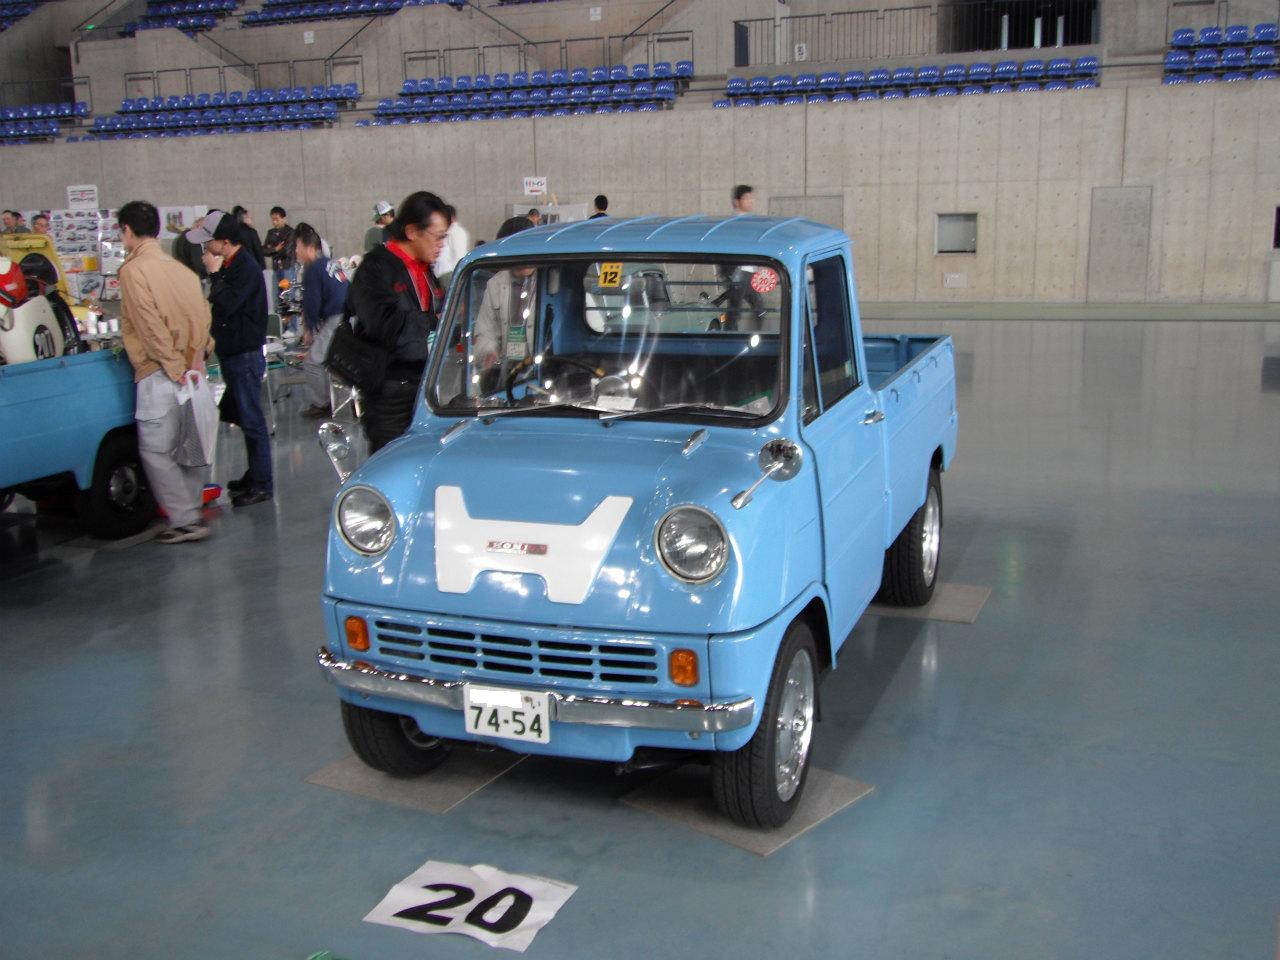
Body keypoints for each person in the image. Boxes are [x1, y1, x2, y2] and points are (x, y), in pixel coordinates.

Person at [115, 200, 214, 544]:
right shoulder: (182, 271)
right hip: (193, 373)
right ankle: (191, 512)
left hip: (161, 374)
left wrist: (173, 367)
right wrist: (198, 355)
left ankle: (185, 519)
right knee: (189, 447)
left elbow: (149, 325)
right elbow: (204, 315)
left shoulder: (132, 272)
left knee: (157, 451)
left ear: (127, 230)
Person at [346, 191, 448, 453]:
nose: (441, 245)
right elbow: (384, 325)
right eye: (437, 236)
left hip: (425, 388)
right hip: (390, 392)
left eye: (444, 237)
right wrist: (432, 321)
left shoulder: (425, 270)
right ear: (412, 231)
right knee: (391, 459)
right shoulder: (376, 268)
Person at [188, 209, 273, 506]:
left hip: (245, 355)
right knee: (241, 415)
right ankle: (256, 474)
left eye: (208, 242)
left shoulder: (245, 268)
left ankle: (262, 483)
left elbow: (228, 303)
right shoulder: (232, 265)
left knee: (252, 420)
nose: (205, 249)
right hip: (233, 352)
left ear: (224, 242)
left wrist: (214, 274)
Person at [472, 216, 536, 391]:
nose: (523, 257)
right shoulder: (495, 284)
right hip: (510, 372)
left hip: (548, 370)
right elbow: (485, 330)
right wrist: (489, 352)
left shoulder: (556, 282)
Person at [294, 221, 349, 418]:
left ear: (310, 248)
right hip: (350, 317)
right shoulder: (330, 263)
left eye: (298, 246)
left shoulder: (313, 268)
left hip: (337, 318)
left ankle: (321, 403)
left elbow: (312, 302)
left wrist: (308, 329)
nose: (296, 251)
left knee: (312, 362)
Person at [434, 204, 471, 289]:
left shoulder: (454, 231)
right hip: (450, 273)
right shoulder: (457, 231)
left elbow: (459, 255)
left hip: (450, 273)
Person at [171, 215, 208, 280]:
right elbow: (198, 264)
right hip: (193, 278)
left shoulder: (179, 237)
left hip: (181, 275)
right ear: (198, 226)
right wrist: (208, 274)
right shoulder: (194, 240)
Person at [263, 206, 295, 279]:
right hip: (276, 268)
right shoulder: (271, 232)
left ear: (284, 219)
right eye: (273, 219)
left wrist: (271, 249)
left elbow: (286, 251)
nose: (274, 222)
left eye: (277, 219)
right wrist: (275, 249)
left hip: (287, 267)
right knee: (275, 286)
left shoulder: (290, 232)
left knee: (287, 286)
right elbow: (263, 250)